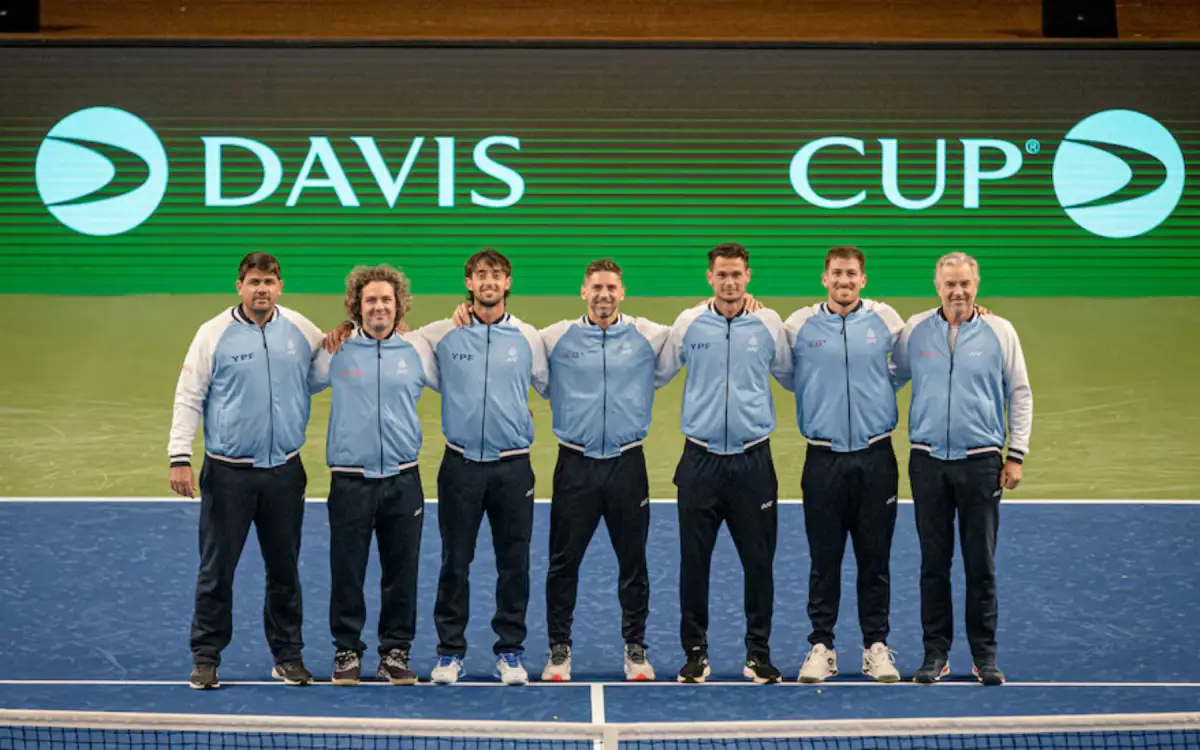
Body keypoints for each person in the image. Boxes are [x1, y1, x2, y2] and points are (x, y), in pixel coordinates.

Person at [168, 251, 324, 690]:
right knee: (217, 570)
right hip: (227, 474)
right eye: (254, 281)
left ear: (280, 286)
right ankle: (206, 657)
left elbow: (329, 364)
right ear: (239, 286)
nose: (262, 289)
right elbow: (189, 395)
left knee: (284, 570)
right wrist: (180, 455)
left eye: (270, 281)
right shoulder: (212, 333)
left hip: (285, 474)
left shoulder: (299, 328)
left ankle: (287, 656)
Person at [891, 251, 1032, 686]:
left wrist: (1016, 454)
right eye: (949, 284)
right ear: (937, 286)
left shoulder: (1000, 331)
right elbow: (886, 375)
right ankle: (936, 655)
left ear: (976, 285)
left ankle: (984, 657)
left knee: (980, 564)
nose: (957, 291)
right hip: (928, 461)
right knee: (934, 564)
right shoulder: (914, 330)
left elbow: (1020, 393)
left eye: (965, 284)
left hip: (981, 464)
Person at [656, 242, 793, 684]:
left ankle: (759, 654)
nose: (730, 282)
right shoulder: (688, 323)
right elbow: (657, 371)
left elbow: (789, 374)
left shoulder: (769, 322)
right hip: (700, 462)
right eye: (722, 275)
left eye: (737, 274)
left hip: (754, 463)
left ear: (747, 276)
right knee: (694, 564)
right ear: (709, 278)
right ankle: (695, 653)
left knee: (759, 563)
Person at [423, 249, 549, 686]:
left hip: (513, 469)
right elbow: (393, 334)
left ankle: (510, 652)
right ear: (470, 283)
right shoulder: (442, 333)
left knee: (513, 564)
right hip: (459, 467)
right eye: (481, 275)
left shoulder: (529, 336)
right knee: (454, 563)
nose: (489, 282)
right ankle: (449, 653)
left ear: (508, 282)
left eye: (496, 275)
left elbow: (549, 385)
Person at [309, 265, 438, 686]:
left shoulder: (418, 349)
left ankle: (394, 652)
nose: (379, 306)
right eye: (370, 300)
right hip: (350, 480)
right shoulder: (336, 350)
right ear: (356, 307)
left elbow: (462, 384)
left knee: (402, 571)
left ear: (398, 305)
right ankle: (347, 652)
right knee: (347, 570)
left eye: (386, 299)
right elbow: (300, 385)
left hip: (404, 480)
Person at [784, 246, 905, 684]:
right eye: (837, 274)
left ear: (863, 279)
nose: (844, 281)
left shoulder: (887, 320)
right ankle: (822, 647)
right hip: (822, 459)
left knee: (875, 559)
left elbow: (905, 366)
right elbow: (785, 372)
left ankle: (876, 647)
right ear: (824, 278)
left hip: (877, 458)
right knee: (825, 559)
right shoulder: (797, 325)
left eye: (852, 274)